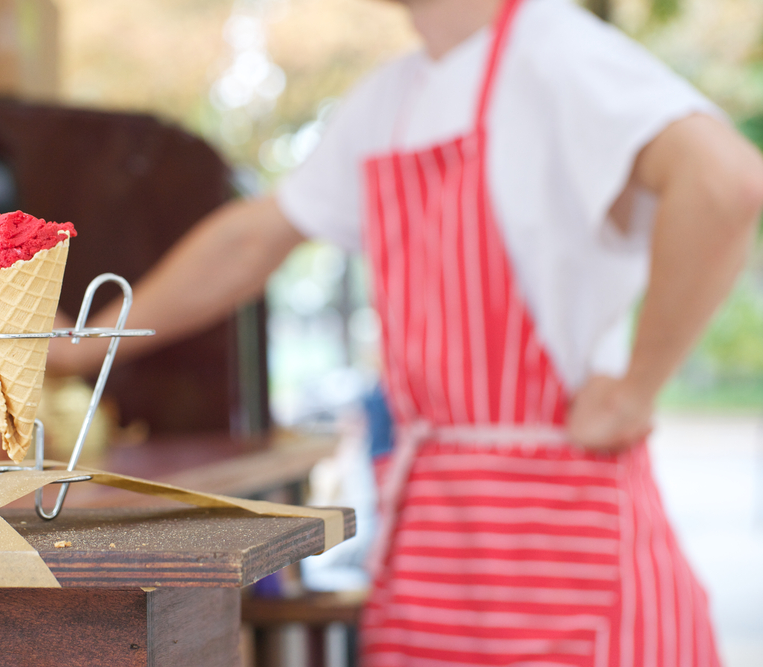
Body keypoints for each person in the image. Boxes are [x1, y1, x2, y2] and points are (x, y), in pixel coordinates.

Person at [48, 0, 763, 663]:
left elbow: (724, 181)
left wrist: (637, 389)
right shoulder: (392, 99)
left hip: (559, 549)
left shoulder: (557, 51)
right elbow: (252, 240)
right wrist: (87, 344)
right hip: (435, 543)